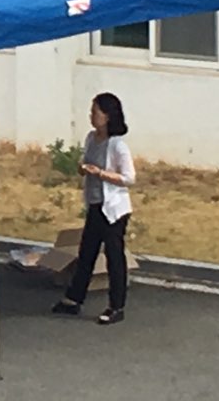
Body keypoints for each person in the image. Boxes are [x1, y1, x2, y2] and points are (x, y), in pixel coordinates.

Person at [52, 92, 136, 325]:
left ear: (107, 116)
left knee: (114, 256)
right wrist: (84, 169)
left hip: (114, 209)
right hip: (95, 204)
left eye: (95, 112)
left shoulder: (117, 145)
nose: (91, 116)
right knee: (86, 252)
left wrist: (100, 174)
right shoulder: (91, 138)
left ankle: (116, 306)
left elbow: (129, 178)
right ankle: (74, 298)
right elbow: (86, 161)